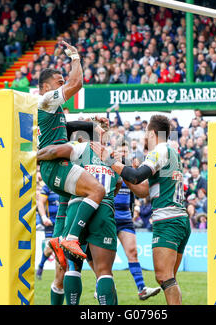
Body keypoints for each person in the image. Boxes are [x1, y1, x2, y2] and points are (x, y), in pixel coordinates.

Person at [91, 115, 191, 305]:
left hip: (168, 220)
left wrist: (110, 161)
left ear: (152, 133)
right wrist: (126, 170)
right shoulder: (171, 152)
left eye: (146, 133)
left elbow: (137, 177)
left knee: (164, 277)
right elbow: (143, 190)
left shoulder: (158, 151)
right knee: (169, 278)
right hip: (179, 220)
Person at [37, 122, 123, 305]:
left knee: (72, 269)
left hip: (76, 207)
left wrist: (30, 157)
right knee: (104, 271)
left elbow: (53, 154)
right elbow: (118, 184)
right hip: (103, 209)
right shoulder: (108, 157)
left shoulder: (78, 147)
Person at [37, 40, 107, 262]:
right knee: (97, 190)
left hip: (52, 166)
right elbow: (76, 83)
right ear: (46, 87)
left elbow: (64, 129)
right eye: (58, 82)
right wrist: (75, 56)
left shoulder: (51, 109)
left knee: (68, 199)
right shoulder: (47, 99)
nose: (62, 84)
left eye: (62, 82)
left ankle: (58, 239)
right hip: (55, 165)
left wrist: (92, 120)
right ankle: (72, 237)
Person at [113, 142, 161, 300]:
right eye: (121, 151)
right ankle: (102, 286)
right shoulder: (109, 168)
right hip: (108, 217)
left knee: (133, 252)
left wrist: (135, 210)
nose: (124, 155)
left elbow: (136, 195)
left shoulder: (131, 173)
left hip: (125, 218)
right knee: (105, 259)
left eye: (126, 152)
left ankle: (142, 289)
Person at [36, 184, 60, 280]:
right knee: (50, 248)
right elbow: (40, 202)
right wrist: (44, 217)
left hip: (63, 222)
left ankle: (58, 278)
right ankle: (41, 266)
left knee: (60, 250)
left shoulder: (65, 184)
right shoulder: (47, 187)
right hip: (51, 223)